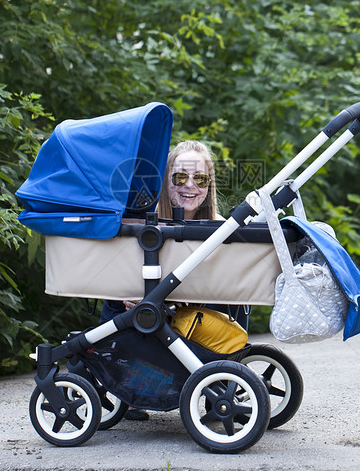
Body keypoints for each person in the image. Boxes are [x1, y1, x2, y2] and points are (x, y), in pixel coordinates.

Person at [98, 140, 248, 420]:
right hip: (143, 314)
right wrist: (124, 292)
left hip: (191, 318)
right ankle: (132, 391)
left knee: (234, 302)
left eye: (199, 179)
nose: (189, 185)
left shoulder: (219, 227)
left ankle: (222, 385)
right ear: (165, 180)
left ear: (208, 185)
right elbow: (112, 268)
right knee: (124, 302)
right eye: (180, 177)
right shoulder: (142, 221)